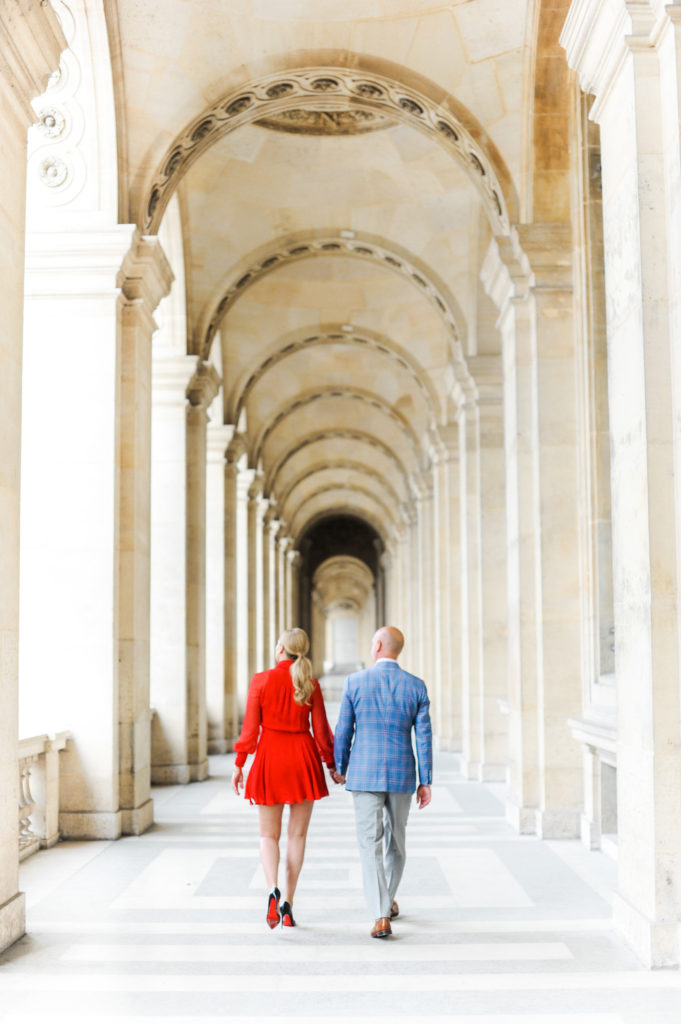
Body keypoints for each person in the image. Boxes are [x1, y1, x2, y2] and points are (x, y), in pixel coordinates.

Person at [231, 627, 339, 929]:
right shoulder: (310, 684)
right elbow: (321, 732)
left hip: (270, 758)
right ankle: (288, 902)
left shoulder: (261, 680)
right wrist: (331, 764)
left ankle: (272, 889)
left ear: (280, 649)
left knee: (268, 835)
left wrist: (239, 764)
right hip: (302, 759)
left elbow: (249, 730)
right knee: (297, 836)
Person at [334, 625, 432, 939]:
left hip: (364, 772)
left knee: (369, 843)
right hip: (402, 773)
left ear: (377, 645)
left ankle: (380, 913)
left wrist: (340, 766)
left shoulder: (355, 682)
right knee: (397, 842)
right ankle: (386, 901)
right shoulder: (416, 686)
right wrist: (426, 780)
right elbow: (424, 738)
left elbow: (344, 730)